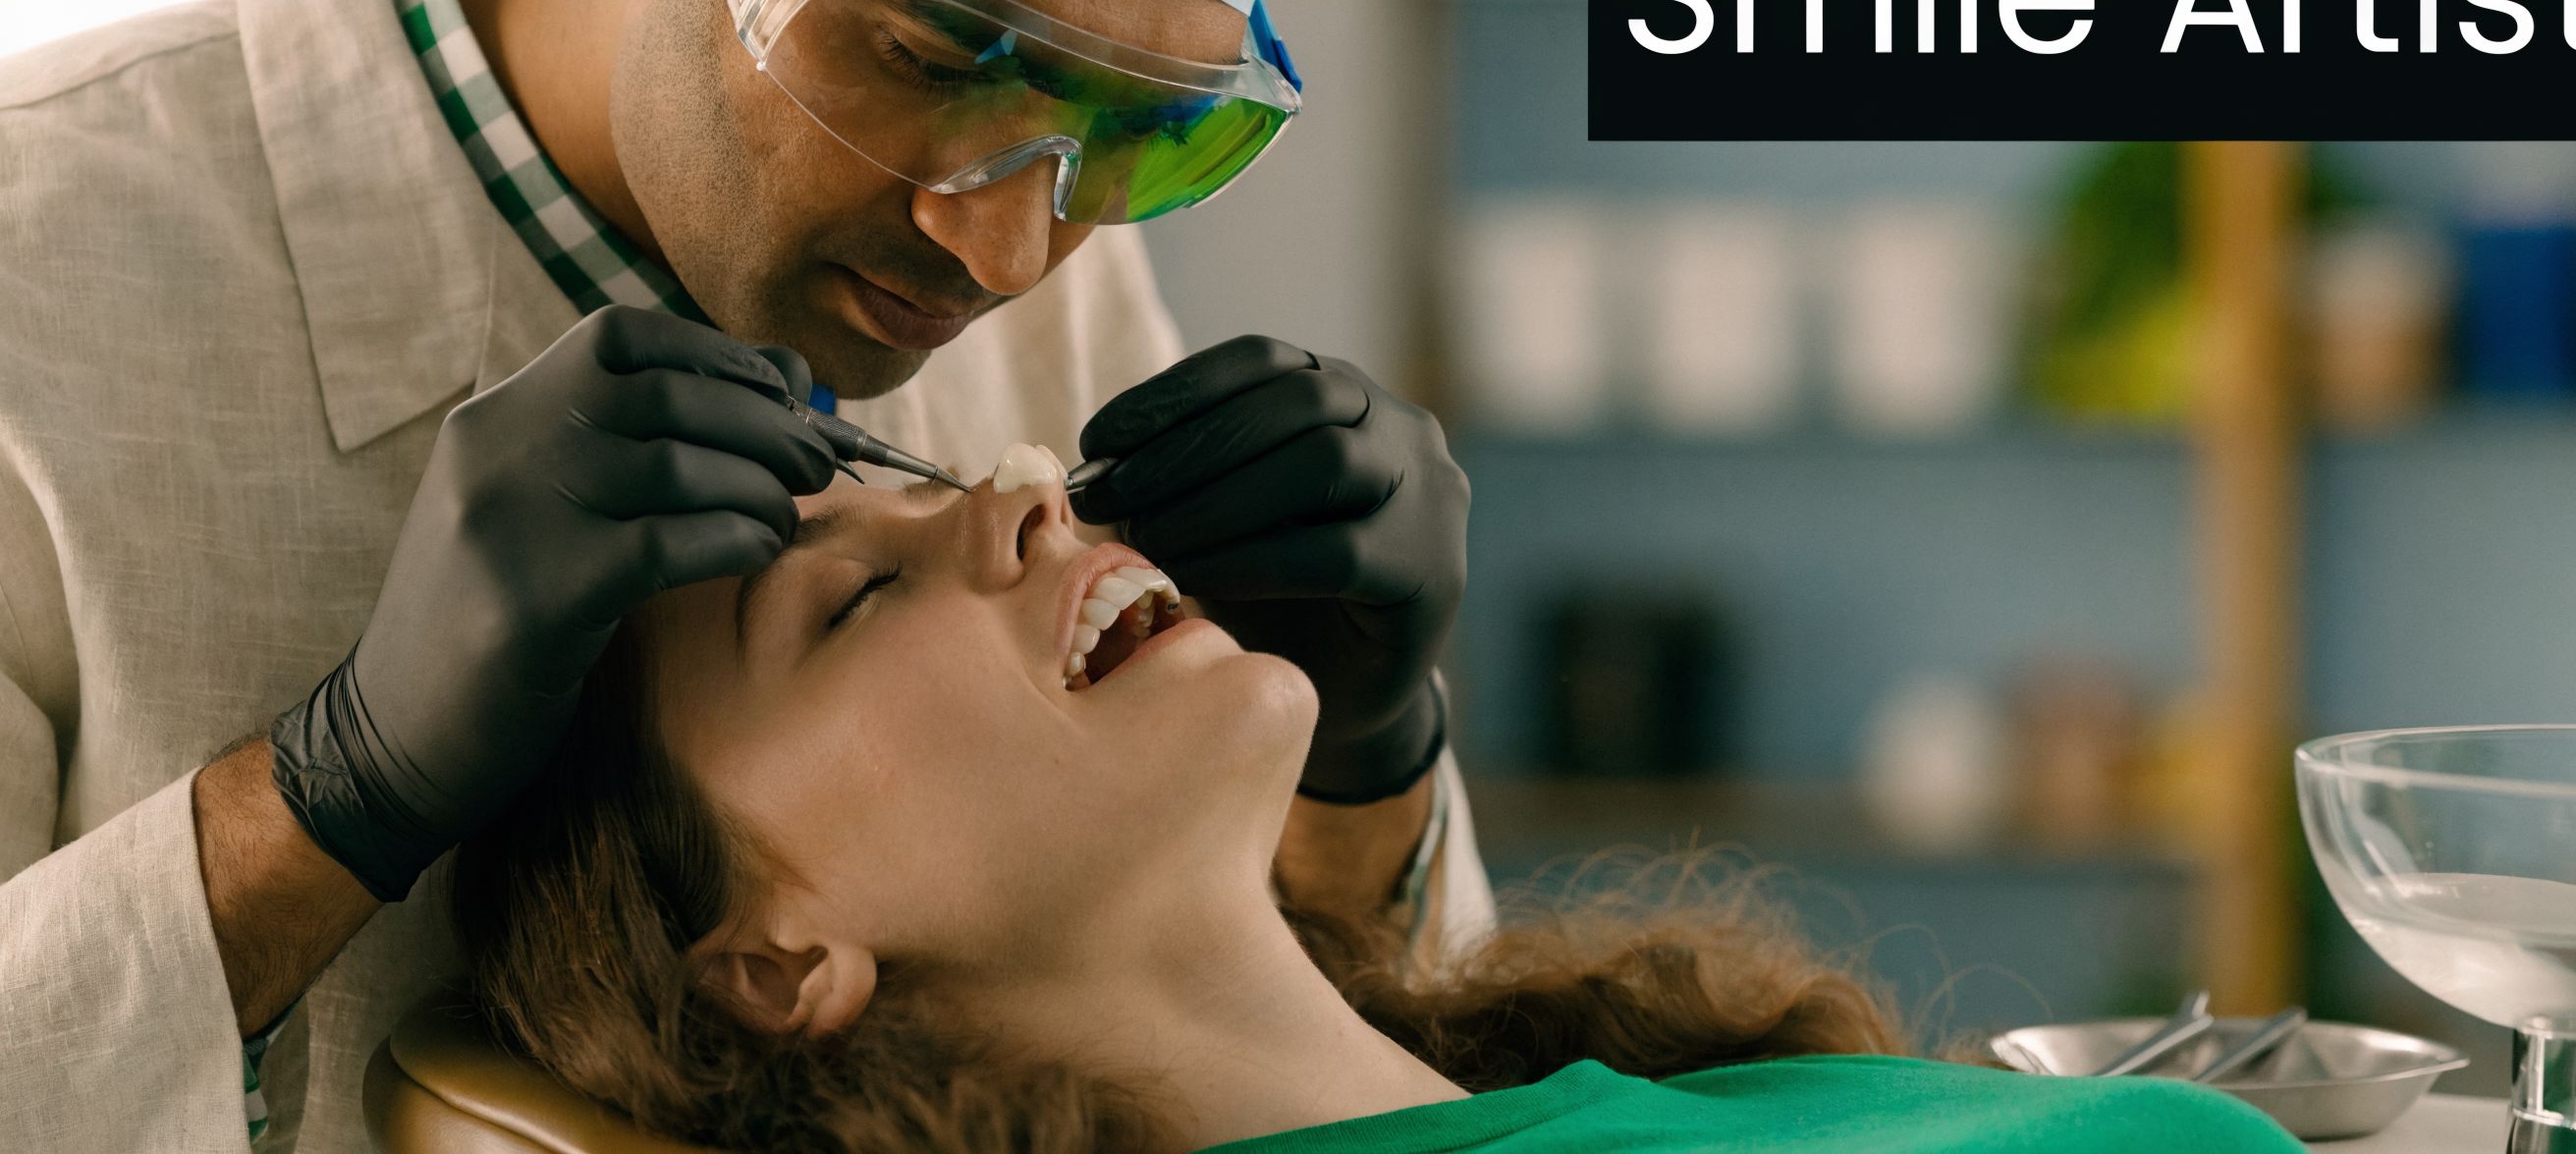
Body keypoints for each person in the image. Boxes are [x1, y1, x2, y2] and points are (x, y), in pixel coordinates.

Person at [0, 0, 1481, 1149]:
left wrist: (1360, 764)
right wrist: (326, 801)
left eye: (1140, 131)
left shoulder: (1030, 230)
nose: (1011, 252)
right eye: (923, 55)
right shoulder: (35, 280)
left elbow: (1289, 1053)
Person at [455, 452, 2299, 1154]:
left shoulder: (1698, 1092)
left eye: (916, 477)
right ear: (773, 964)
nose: (1012, 492)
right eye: (850, 599)